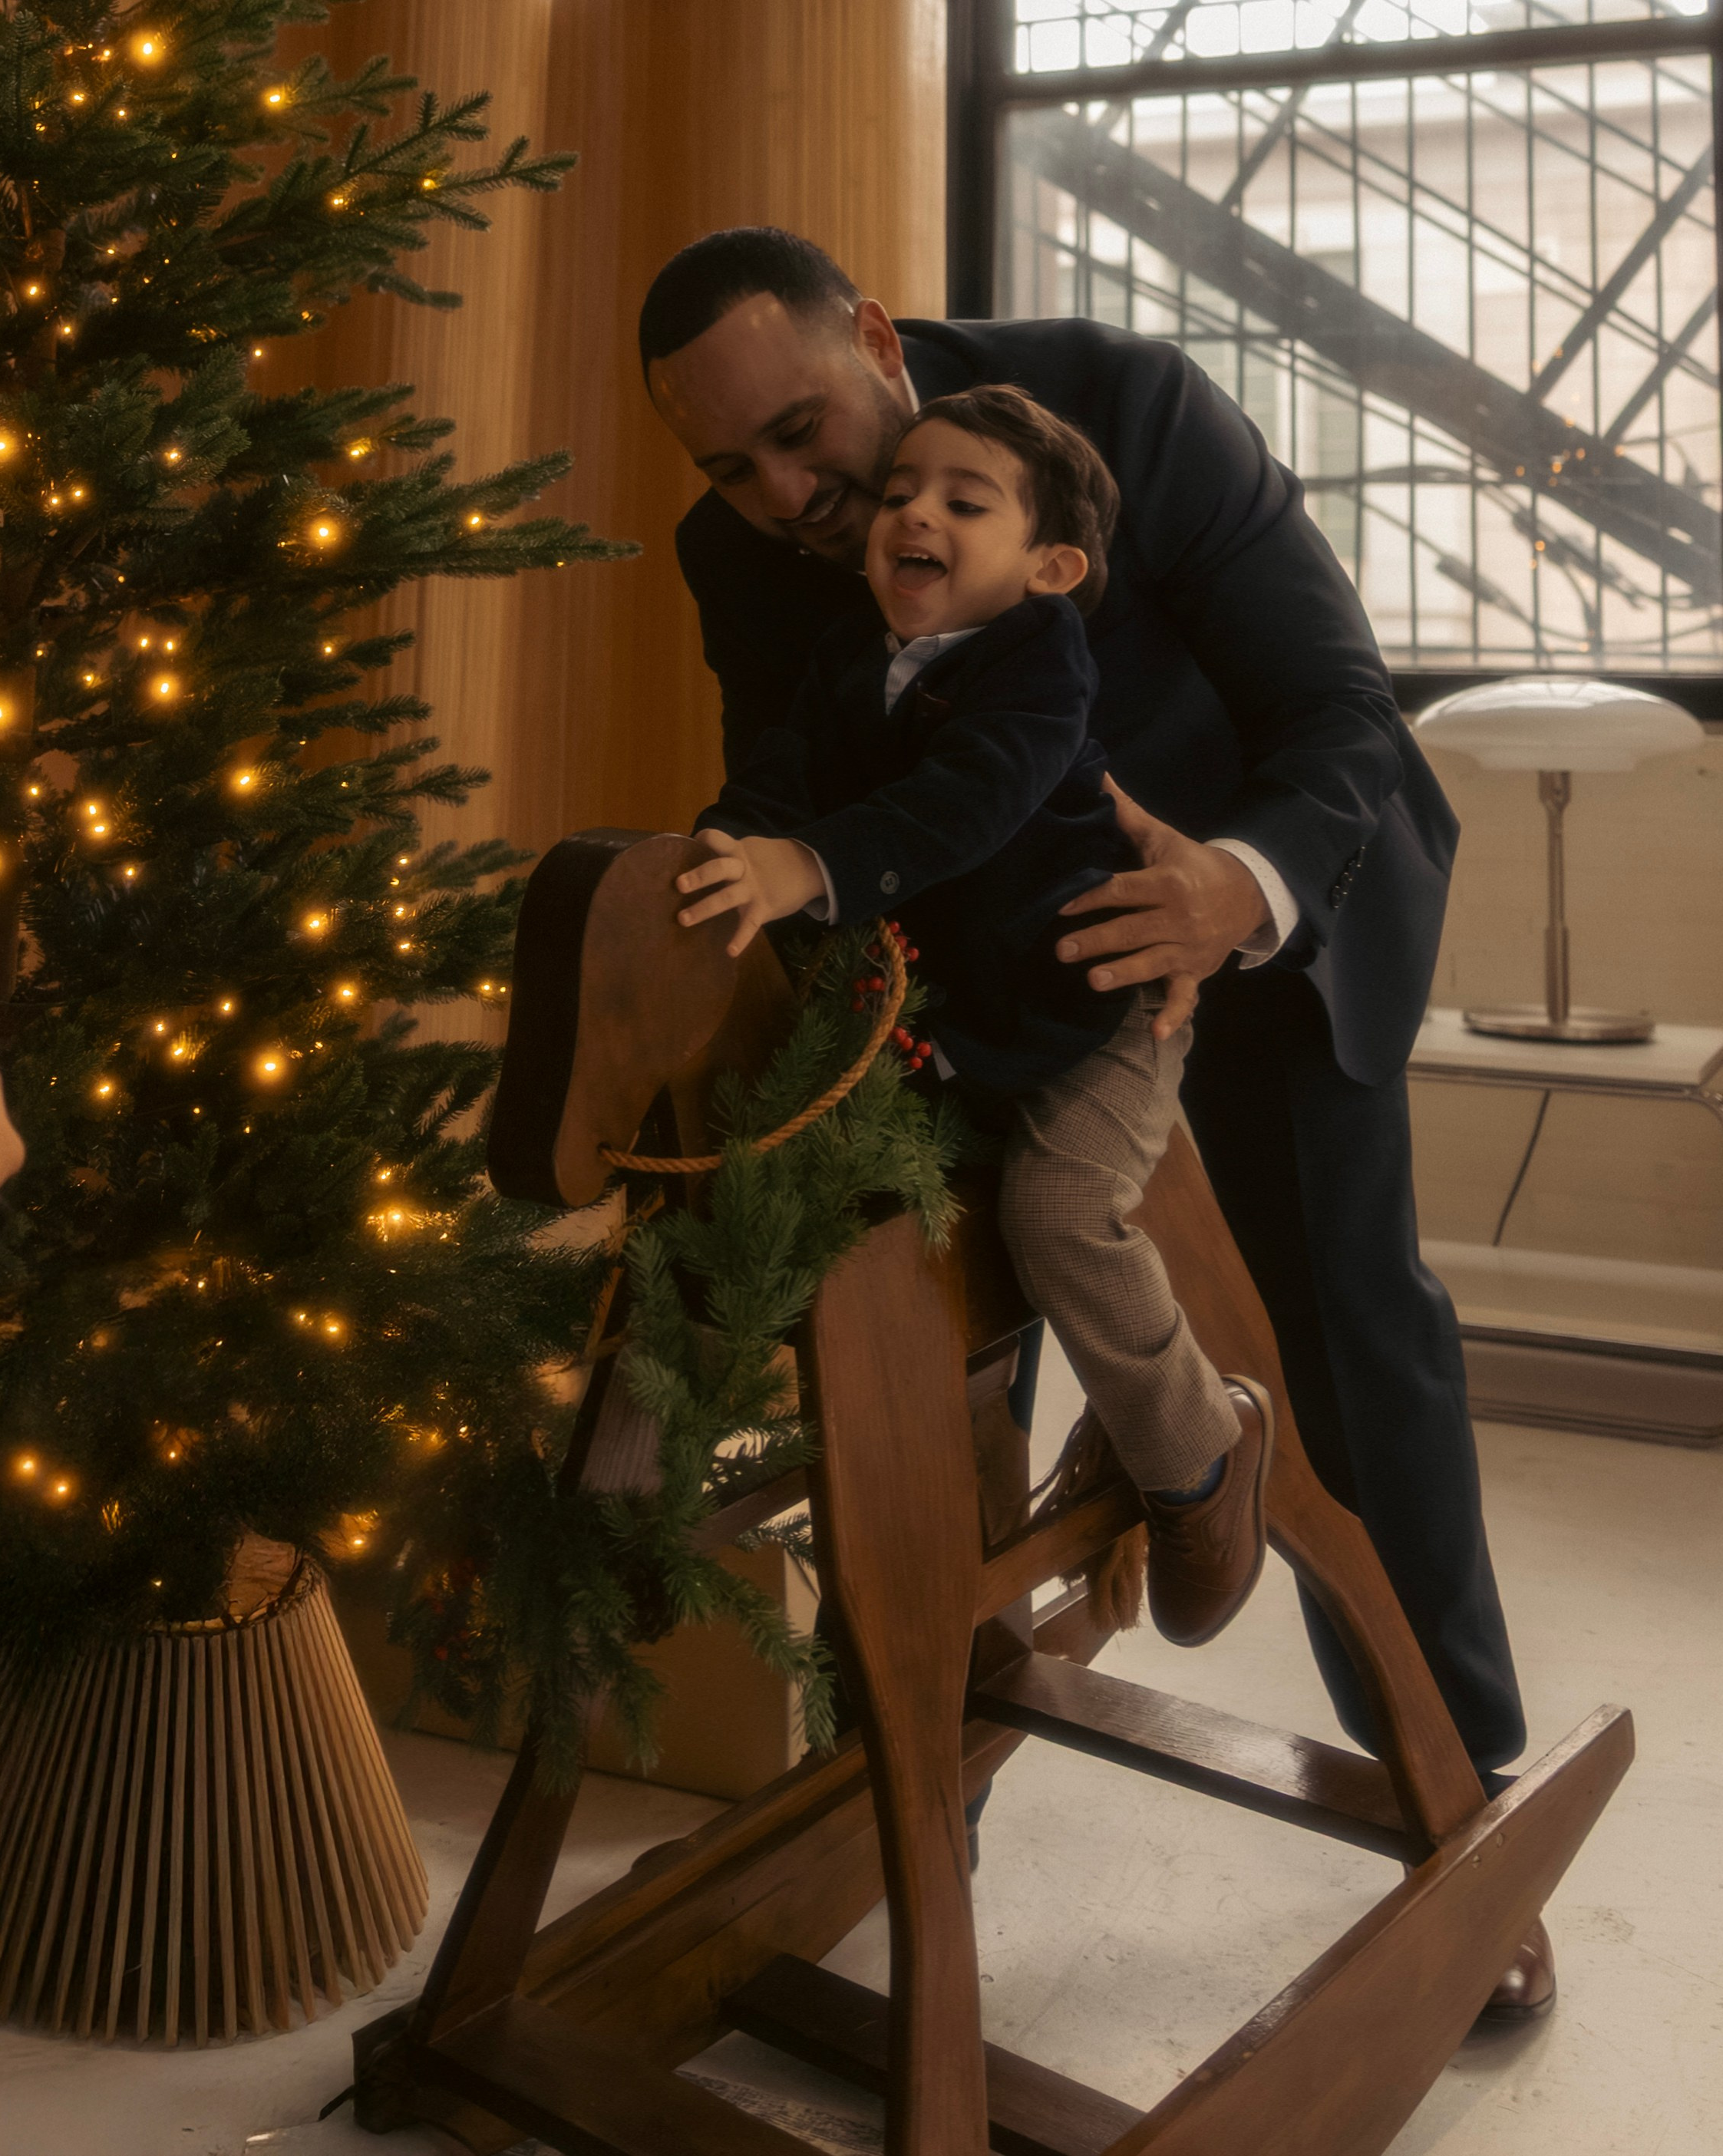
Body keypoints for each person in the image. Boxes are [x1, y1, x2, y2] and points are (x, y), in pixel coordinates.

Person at [639, 228, 1552, 2018]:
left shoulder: (1130, 401)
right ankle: (926, 1808)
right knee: (929, 1376)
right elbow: (780, 792)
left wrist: (1234, 887)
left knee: (1346, 1342)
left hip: (1256, 909)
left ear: (882, 342)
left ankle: (1463, 1802)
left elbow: (1337, 712)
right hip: (965, 975)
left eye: (805, 433)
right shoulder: (733, 554)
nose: (787, 493)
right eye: (730, 468)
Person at [676, 385, 1275, 1646]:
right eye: (900, 493)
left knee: (1058, 1212)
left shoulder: (1040, 664)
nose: (912, 515)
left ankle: (1201, 1462)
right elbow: (786, 770)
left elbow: (963, 809)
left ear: (1048, 564)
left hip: (1089, 1006)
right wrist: (730, 843)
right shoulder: (853, 653)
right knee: (841, 1207)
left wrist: (810, 867)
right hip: (951, 1018)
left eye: (963, 501)